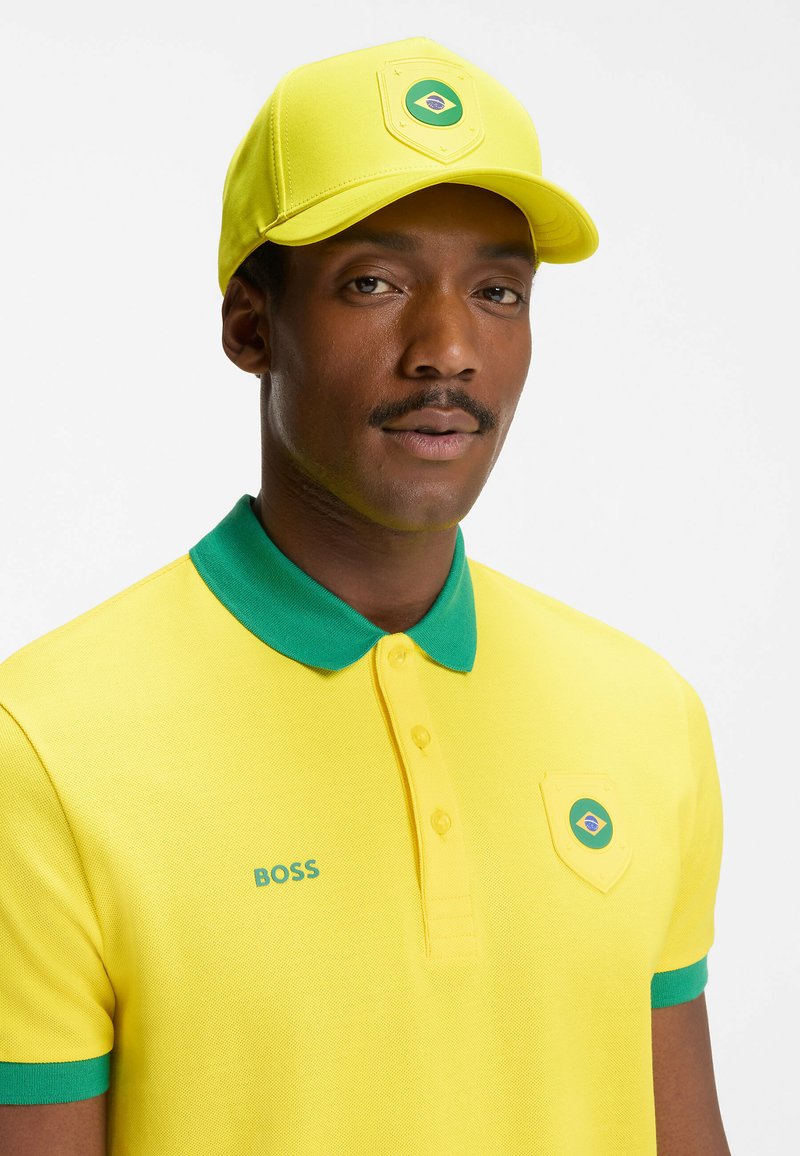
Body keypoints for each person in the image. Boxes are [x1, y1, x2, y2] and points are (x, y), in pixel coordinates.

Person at [0, 36, 729, 1156]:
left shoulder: (645, 714)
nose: (448, 350)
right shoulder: (44, 745)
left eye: (497, 291)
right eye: (374, 283)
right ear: (252, 326)